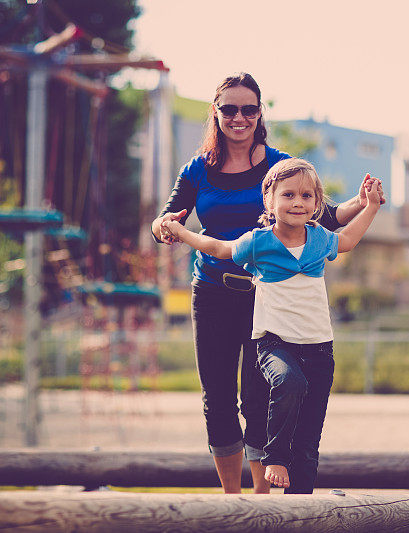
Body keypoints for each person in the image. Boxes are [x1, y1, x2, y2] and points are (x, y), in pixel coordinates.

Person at [150, 72, 385, 494]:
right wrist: (162, 225)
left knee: (259, 399)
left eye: (249, 109)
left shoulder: (281, 166)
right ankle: (232, 500)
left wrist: (363, 202)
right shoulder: (197, 169)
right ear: (216, 113)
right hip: (213, 293)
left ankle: (263, 502)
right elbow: (169, 215)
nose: (239, 117)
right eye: (229, 109)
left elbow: (325, 217)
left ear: (260, 114)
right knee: (217, 399)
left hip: (269, 300)